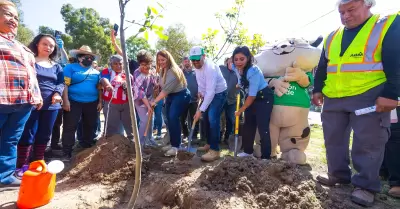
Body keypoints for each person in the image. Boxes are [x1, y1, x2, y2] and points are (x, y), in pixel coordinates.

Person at [312, 0, 400, 206]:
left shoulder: (385, 25)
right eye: (342, 12)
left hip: (369, 93)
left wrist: (392, 93)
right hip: (334, 95)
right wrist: (317, 89)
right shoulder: (333, 36)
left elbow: (396, 61)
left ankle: (366, 185)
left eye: (351, 9)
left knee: (368, 141)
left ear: (368, 4)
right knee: (333, 137)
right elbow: (323, 65)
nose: (345, 16)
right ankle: (338, 174)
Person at [0, 0, 42, 189]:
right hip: (2, 97)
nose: (13, 20)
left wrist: (37, 95)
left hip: (23, 101)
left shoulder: (21, 46)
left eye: (16, 17)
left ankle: (5, 176)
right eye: (8, 14)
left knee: (10, 139)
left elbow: (31, 73)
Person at [15, 34, 64, 177]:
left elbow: (60, 83)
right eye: (45, 44)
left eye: (51, 46)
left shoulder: (57, 66)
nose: (48, 47)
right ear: (37, 44)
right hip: (31, 104)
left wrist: (57, 93)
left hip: (52, 106)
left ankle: (39, 162)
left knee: (44, 134)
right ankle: (22, 166)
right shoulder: (29, 61)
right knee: (27, 134)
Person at [232, 46, 273, 160]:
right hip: (251, 98)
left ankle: (266, 157)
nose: (238, 62)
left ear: (248, 58)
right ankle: (248, 152)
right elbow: (240, 77)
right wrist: (239, 84)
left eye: (242, 59)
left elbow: (252, 95)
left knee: (262, 127)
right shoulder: (235, 67)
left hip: (263, 97)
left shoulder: (253, 71)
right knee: (248, 125)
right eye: (236, 59)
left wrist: (240, 110)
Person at [61, 45, 102, 161]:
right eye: (85, 56)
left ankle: (86, 147)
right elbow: (65, 85)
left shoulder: (96, 72)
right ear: (79, 58)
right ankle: (67, 151)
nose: (89, 59)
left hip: (92, 103)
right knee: (70, 126)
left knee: (90, 125)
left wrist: (100, 101)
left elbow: (99, 88)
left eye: (90, 57)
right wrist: (65, 101)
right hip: (73, 102)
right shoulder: (70, 68)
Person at [150, 50, 191, 156]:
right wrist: (157, 86)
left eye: (163, 60)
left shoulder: (173, 71)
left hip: (181, 95)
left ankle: (176, 146)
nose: (161, 62)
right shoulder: (163, 70)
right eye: (159, 60)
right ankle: (173, 143)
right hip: (171, 96)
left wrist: (154, 101)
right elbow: (162, 85)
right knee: (168, 118)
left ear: (168, 59)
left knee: (173, 117)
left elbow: (165, 91)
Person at [190, 46, 227, 162]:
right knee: (205, 118)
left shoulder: (210, 68)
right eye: (193, 60)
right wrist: (200, 92)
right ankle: (209, 144)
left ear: (203, 57)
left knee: (212, 117)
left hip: (219, 93)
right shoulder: (196, 67)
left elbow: (211, 92)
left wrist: (200, 110)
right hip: (208, 93)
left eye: (197, 59)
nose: (195, 62)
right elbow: (200, 82)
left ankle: (215, 150)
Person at [100, 55, 134, 140]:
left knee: (130, 126)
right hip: (111, 103)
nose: (118, 66)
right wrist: (107, 85)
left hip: (126, 104)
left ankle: (132, 144)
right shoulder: (107, 72)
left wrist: (128, 90)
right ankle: (108, 144)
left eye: (120, 64)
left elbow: (132, 89)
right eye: (115, 64)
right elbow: (103, 79)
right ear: (111, 64)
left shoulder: (128, 75)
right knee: (110, 126)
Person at [133, 50, 158, 147]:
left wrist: (156, 87)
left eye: (147, 64)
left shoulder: (151, 71)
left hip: (150, 98)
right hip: (140, 101)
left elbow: (154, 85)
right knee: (144, 120)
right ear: (139, 63)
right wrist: (148, 105)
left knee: (151, 119)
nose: (145, 67)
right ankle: (140, 143)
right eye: (143, 64)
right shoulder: (138, 74)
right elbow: (141, 92)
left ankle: (149, 139)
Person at [180, 56, 199, 141]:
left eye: (188, 61)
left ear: (191, 62)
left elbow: (201, 84)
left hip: (194, 99)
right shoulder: (180, 73)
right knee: (182, 118)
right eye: (185, 61)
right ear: (183, 63)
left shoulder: (196, 72)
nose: (187, 63)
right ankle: (185, 134)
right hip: (183, 99)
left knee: (194, 118)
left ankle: (194, 136)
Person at [220, 57, 239, 143]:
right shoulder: (221, 69)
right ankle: (219, 136)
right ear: (227, 62)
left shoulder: (238, 72)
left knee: (231, 119)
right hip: (221, 98)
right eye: (230, 61)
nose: (231, 63)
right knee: (219, 118)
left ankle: (228, 137)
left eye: (233, 62)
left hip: (233, 100)